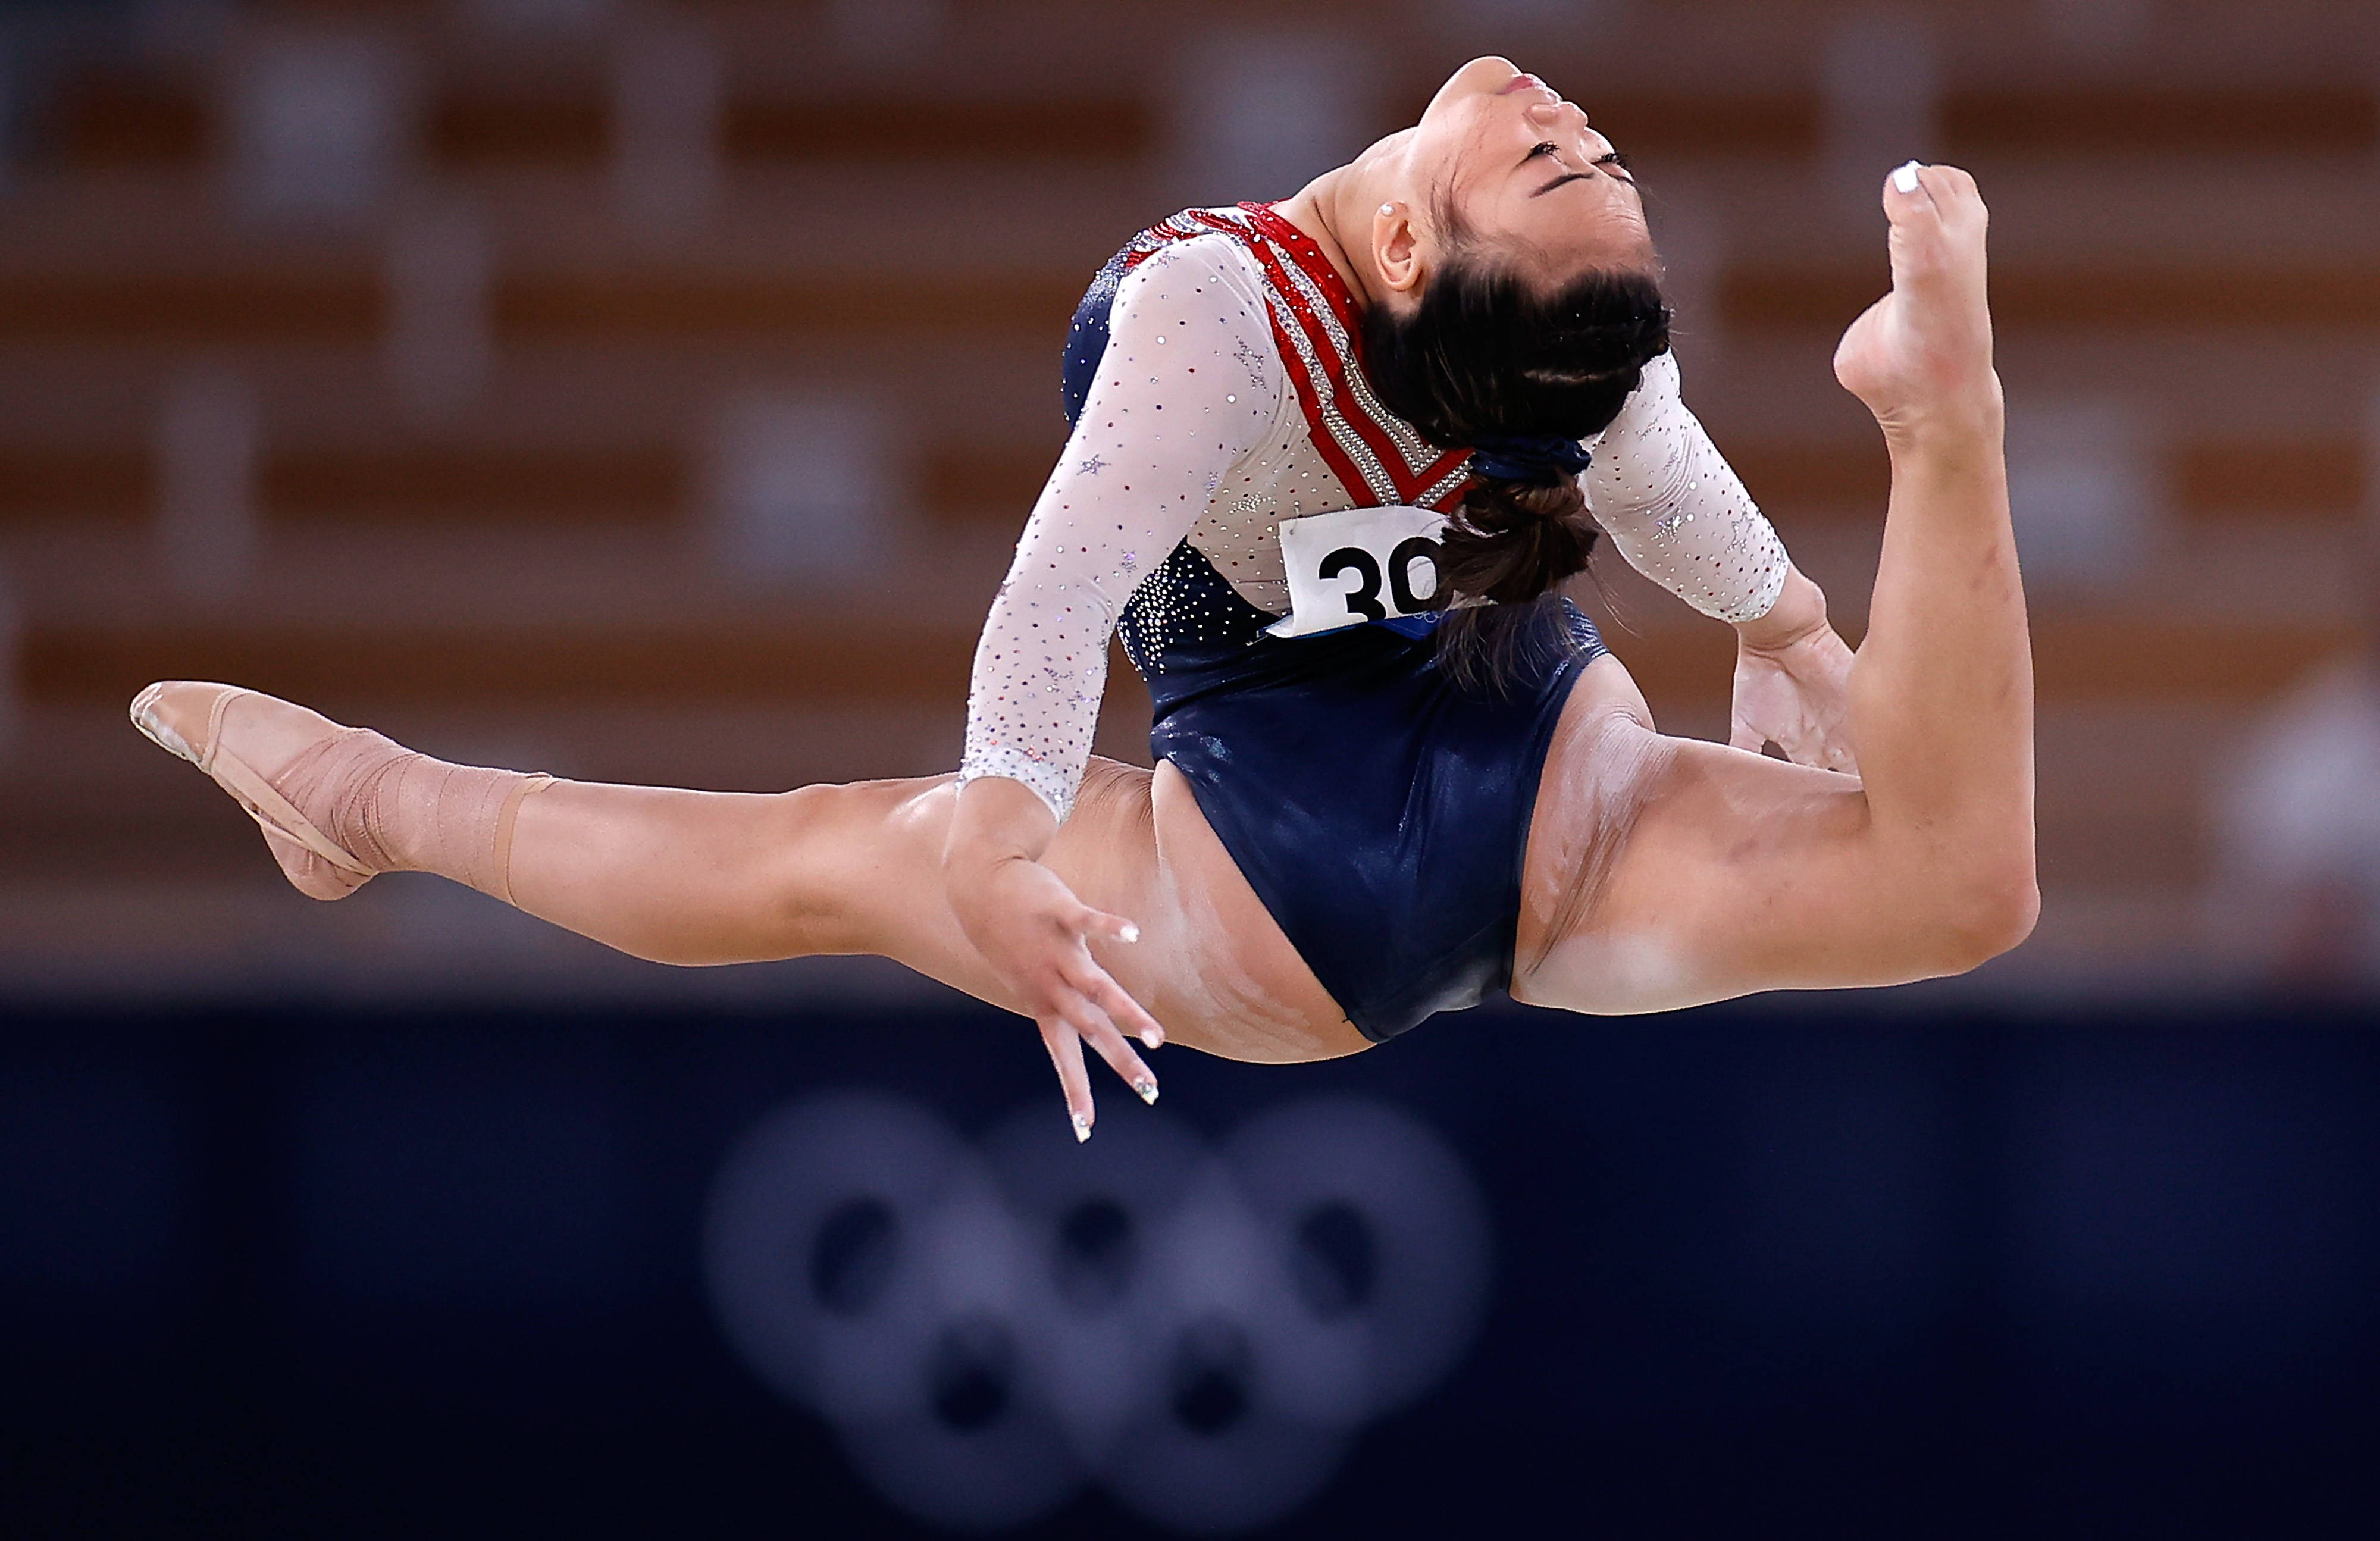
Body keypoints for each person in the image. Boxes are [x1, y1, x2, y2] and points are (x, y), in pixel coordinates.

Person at [131, 58, 2036, 1138]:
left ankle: (371, 802)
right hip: (1549, 773)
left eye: (1559, 156)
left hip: (1289, 885)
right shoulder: (1562, 349)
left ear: (1396, 239)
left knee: (812, 861)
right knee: (1963, 886)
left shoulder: (1231, 313)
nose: (1565, 113)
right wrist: (1788, 627)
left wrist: (998, 840)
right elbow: (1652, 471)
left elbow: (1057, 603)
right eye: (1583, 153)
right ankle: (1950, 437)